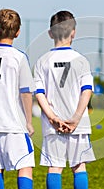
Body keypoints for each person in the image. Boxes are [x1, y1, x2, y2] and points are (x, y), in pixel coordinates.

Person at [34, 10, 95, 189]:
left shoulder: (42, 61)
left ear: (50, 33)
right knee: (79, 166)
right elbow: (87, 91)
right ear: (74, 32)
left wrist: (53, 118)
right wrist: (75, 119)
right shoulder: (81, 60)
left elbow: (39, 94)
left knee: (55, 167)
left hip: (53, 125)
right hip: (78, 124)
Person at [0, 8, 35, 189]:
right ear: (18, 32)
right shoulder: (19, 57)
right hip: (14, 124)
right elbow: (26, 92)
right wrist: (29, 121)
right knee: (25, 166)